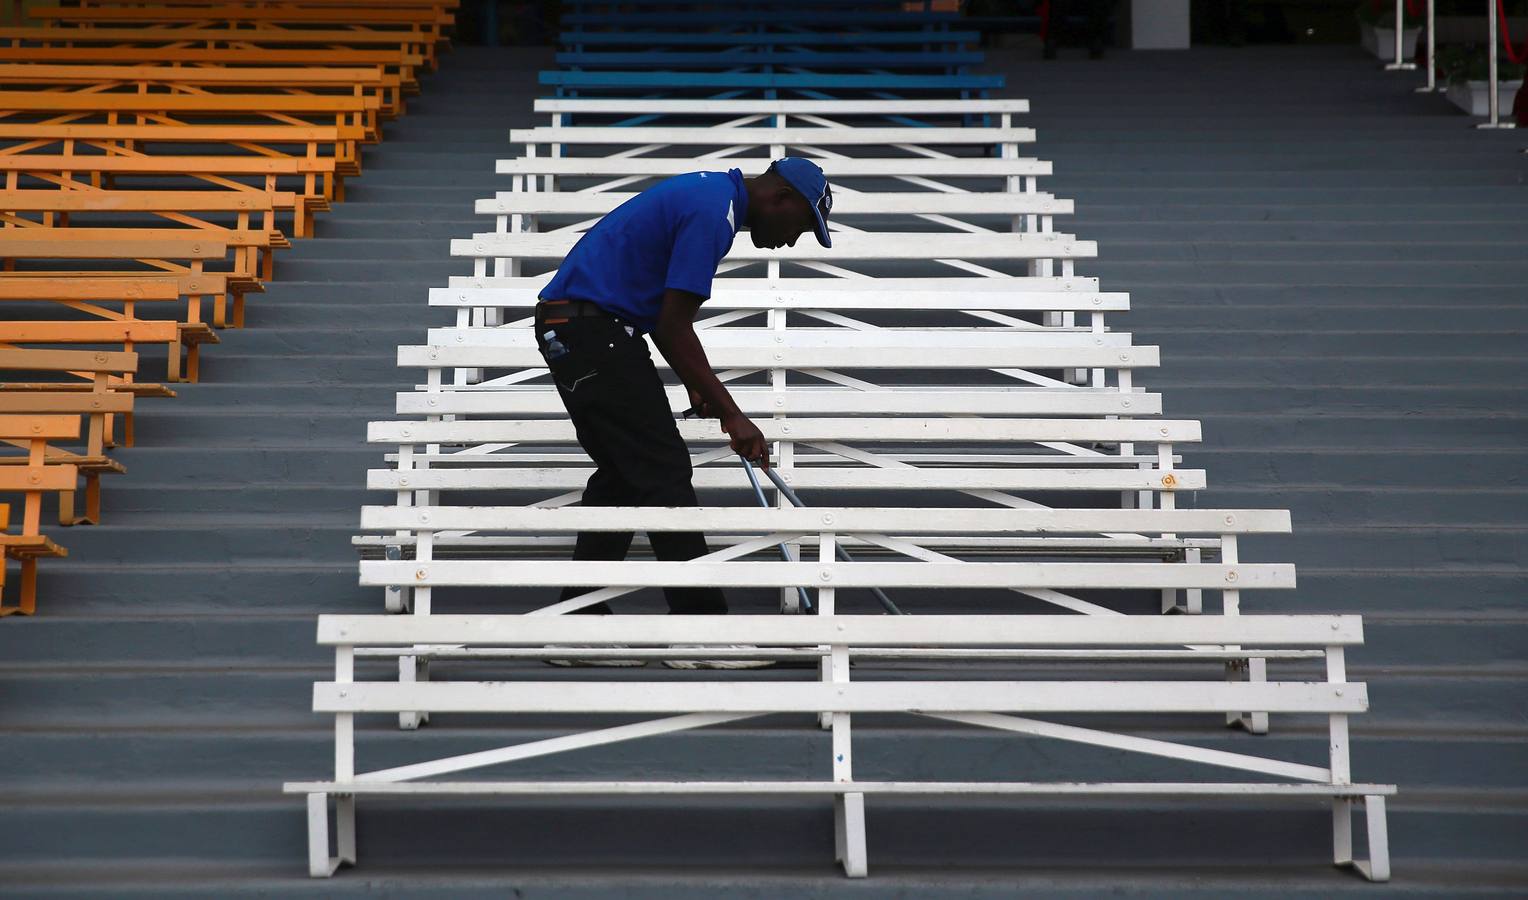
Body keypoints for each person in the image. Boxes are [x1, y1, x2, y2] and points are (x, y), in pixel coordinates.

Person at [532, 157, 833, 668]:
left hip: (584, 331)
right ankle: (699, 627)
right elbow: (673, 327)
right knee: (665, 469)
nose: (792, 240)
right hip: (594, 333)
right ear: (781, 199)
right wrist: (732, 413)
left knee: (625, 477)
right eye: (803, 226)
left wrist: (706, 392)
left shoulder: (710, 195)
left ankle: (575, 622)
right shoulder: (714, 213)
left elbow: (662, 321)